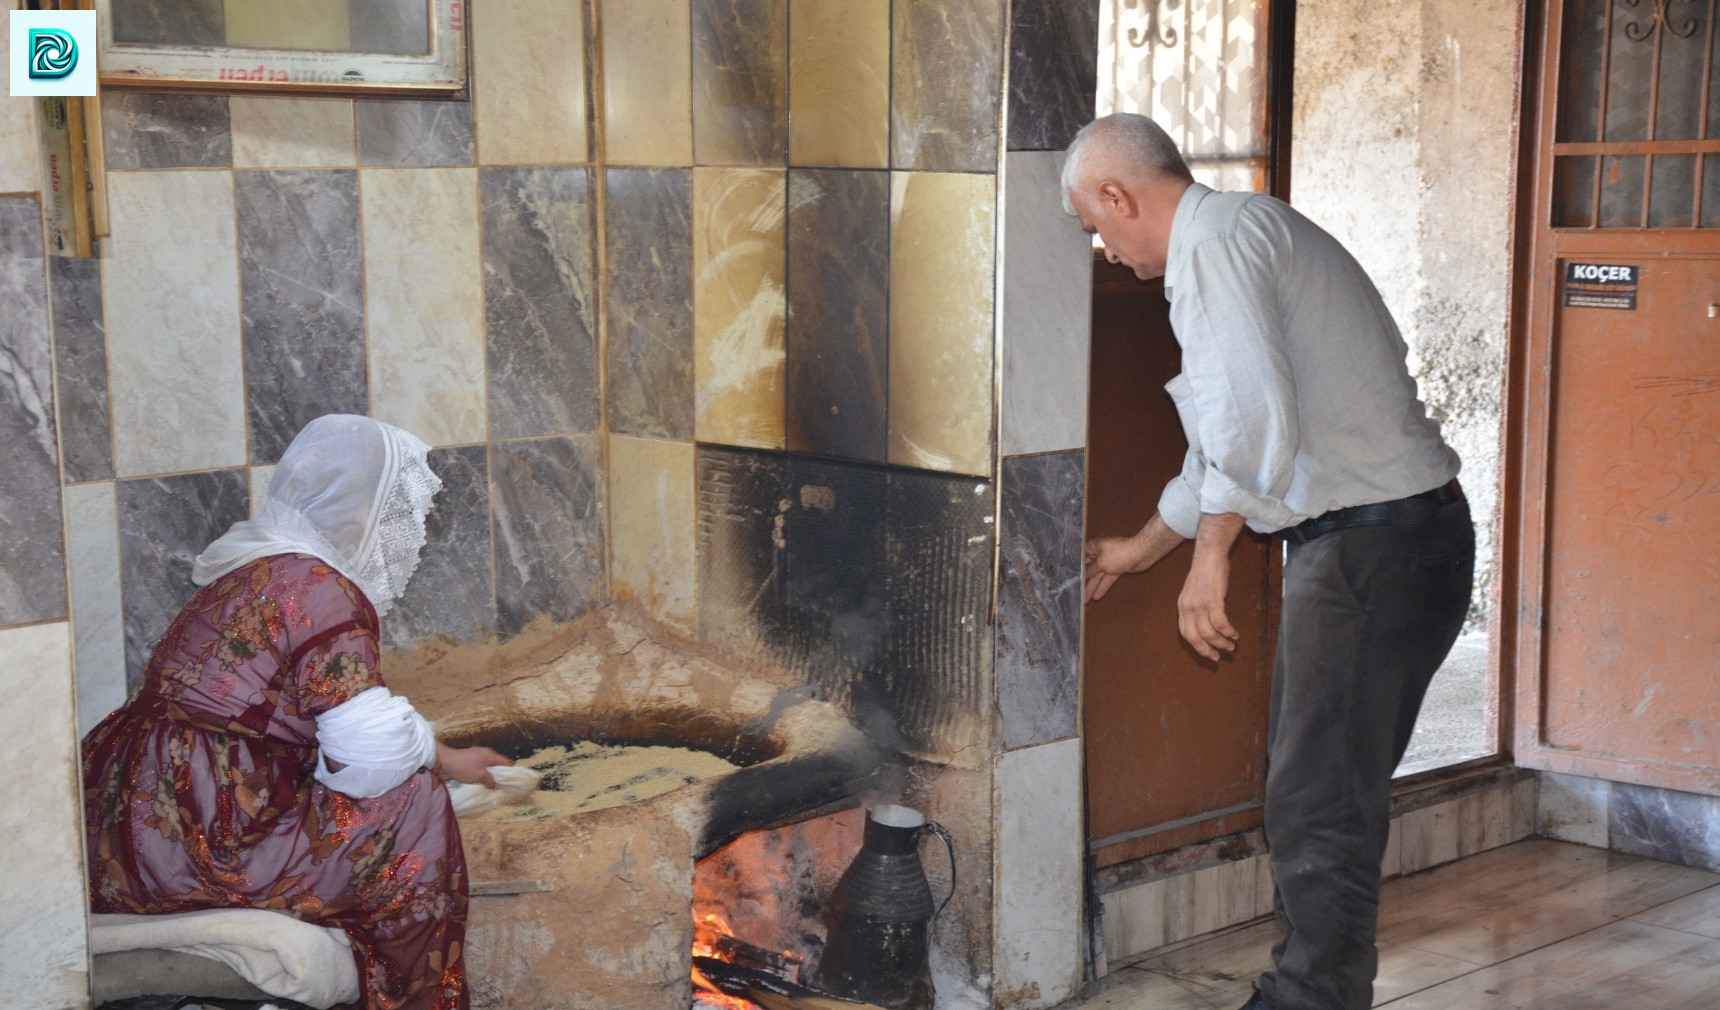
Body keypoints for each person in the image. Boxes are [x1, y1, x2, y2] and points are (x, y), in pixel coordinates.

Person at [1068, 114, 1474, 1010]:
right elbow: (1226, 435)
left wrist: (1210, 559)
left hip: (1374, 549)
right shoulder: (1246, 228)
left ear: (1117, 195)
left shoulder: (1212, 248)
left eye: (1096, 227)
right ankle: (1307, 993)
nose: (1103, 247)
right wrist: (1143, 548)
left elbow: (1250, 425)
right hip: (1394, 544)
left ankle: (1310, 1002)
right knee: (1320, 793)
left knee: (1320, 804)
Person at [82, 414, 511, 1010]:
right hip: (203, 841)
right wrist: (428, 762)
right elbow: (369, 758)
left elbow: (323, 718)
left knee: (412, 779)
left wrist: (445, 755)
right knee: (412, 806)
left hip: (120, 837)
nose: (400, 532)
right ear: (360, 511)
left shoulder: (252, 567)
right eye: (394, 515)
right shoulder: (318, 587)